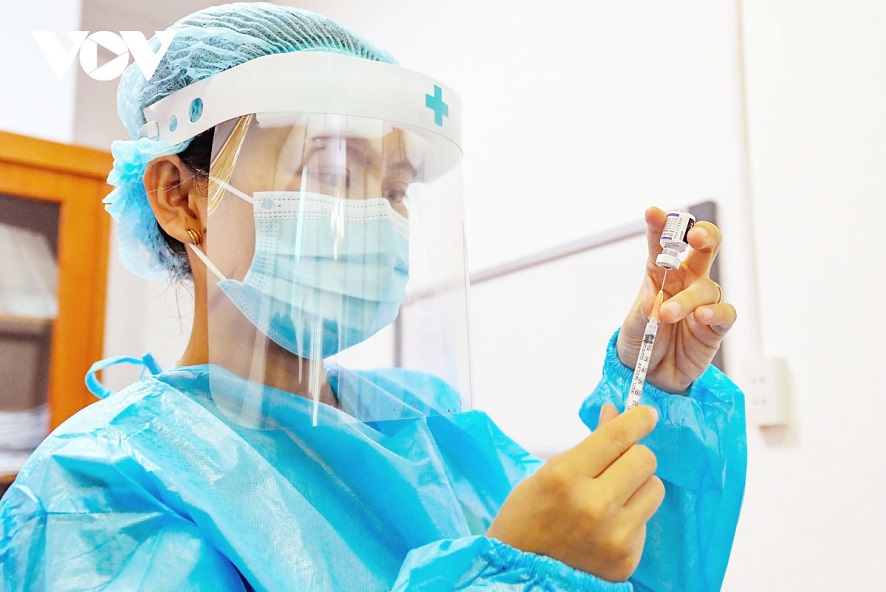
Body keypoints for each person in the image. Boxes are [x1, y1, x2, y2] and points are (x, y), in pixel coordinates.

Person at [0, 3, 745, 590]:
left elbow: (639, 577)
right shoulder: (103, 489)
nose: (374, 218)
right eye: (328, 172)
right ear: (180, 197)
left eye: (394, 190)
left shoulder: (428, 425)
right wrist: (505, 573)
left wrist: (659, 393)